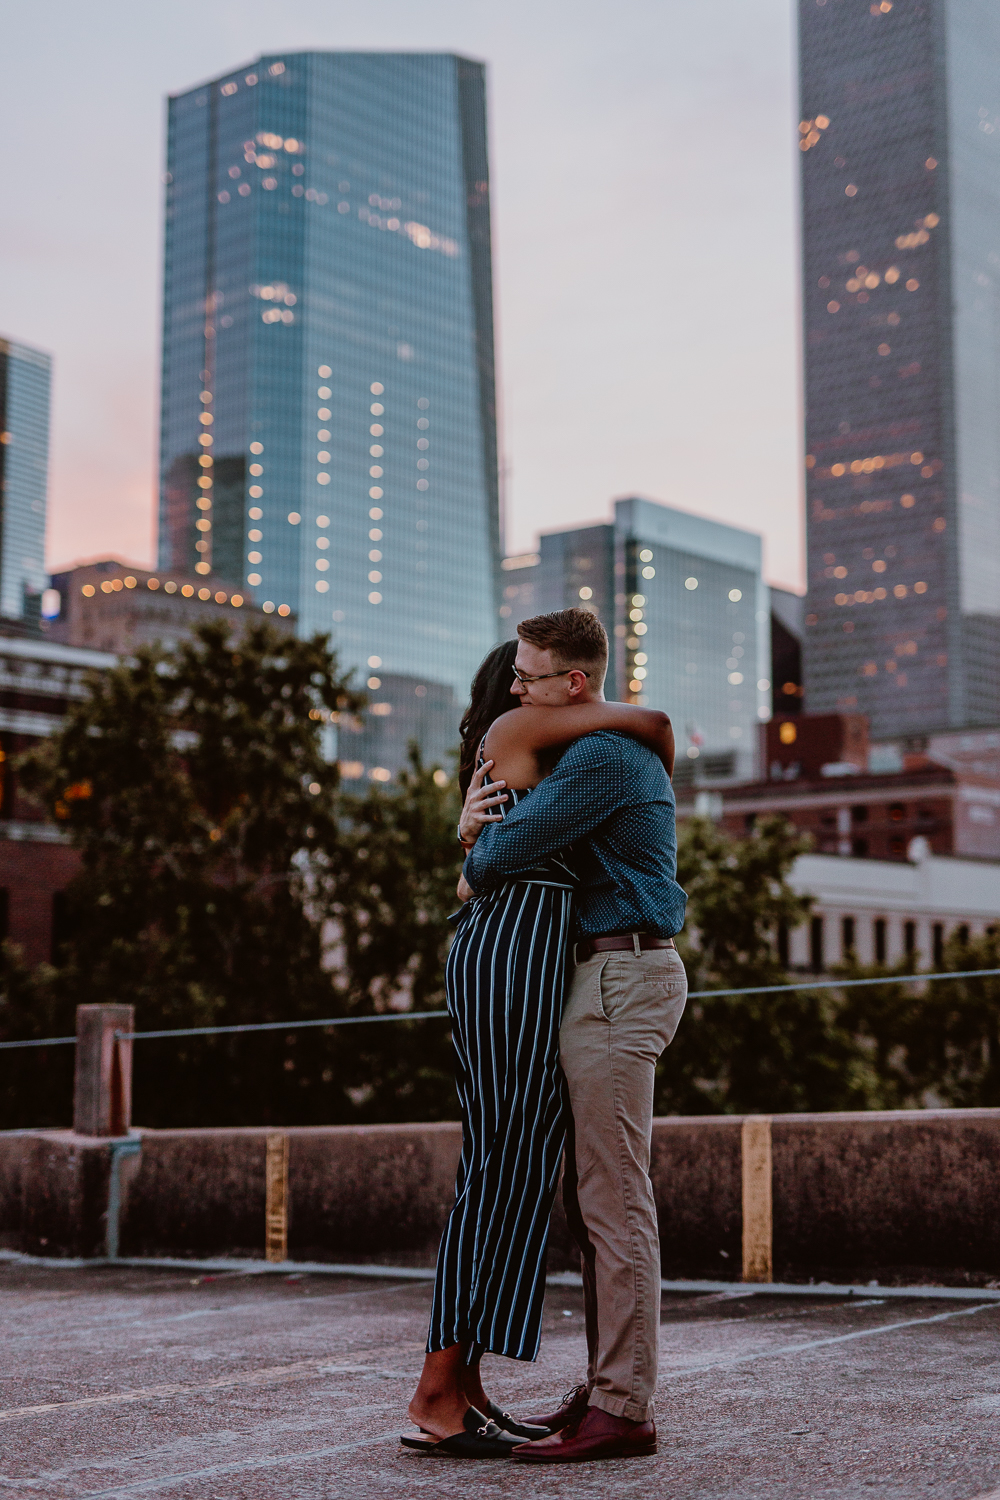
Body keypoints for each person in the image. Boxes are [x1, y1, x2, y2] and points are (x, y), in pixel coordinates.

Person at [401, 627, 675, 1459]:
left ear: (574, 682)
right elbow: (489, 863)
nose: (519, 692)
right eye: (513, 680)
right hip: (526, 960)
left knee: (534, 1171)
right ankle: (449, 1390)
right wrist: (474, 847)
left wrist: (472, 845)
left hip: (570, 967)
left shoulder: (590, 756)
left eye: (533, 679)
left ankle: (479, 1386)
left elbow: (488, 859)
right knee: (509, 1166)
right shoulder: (520, 736)